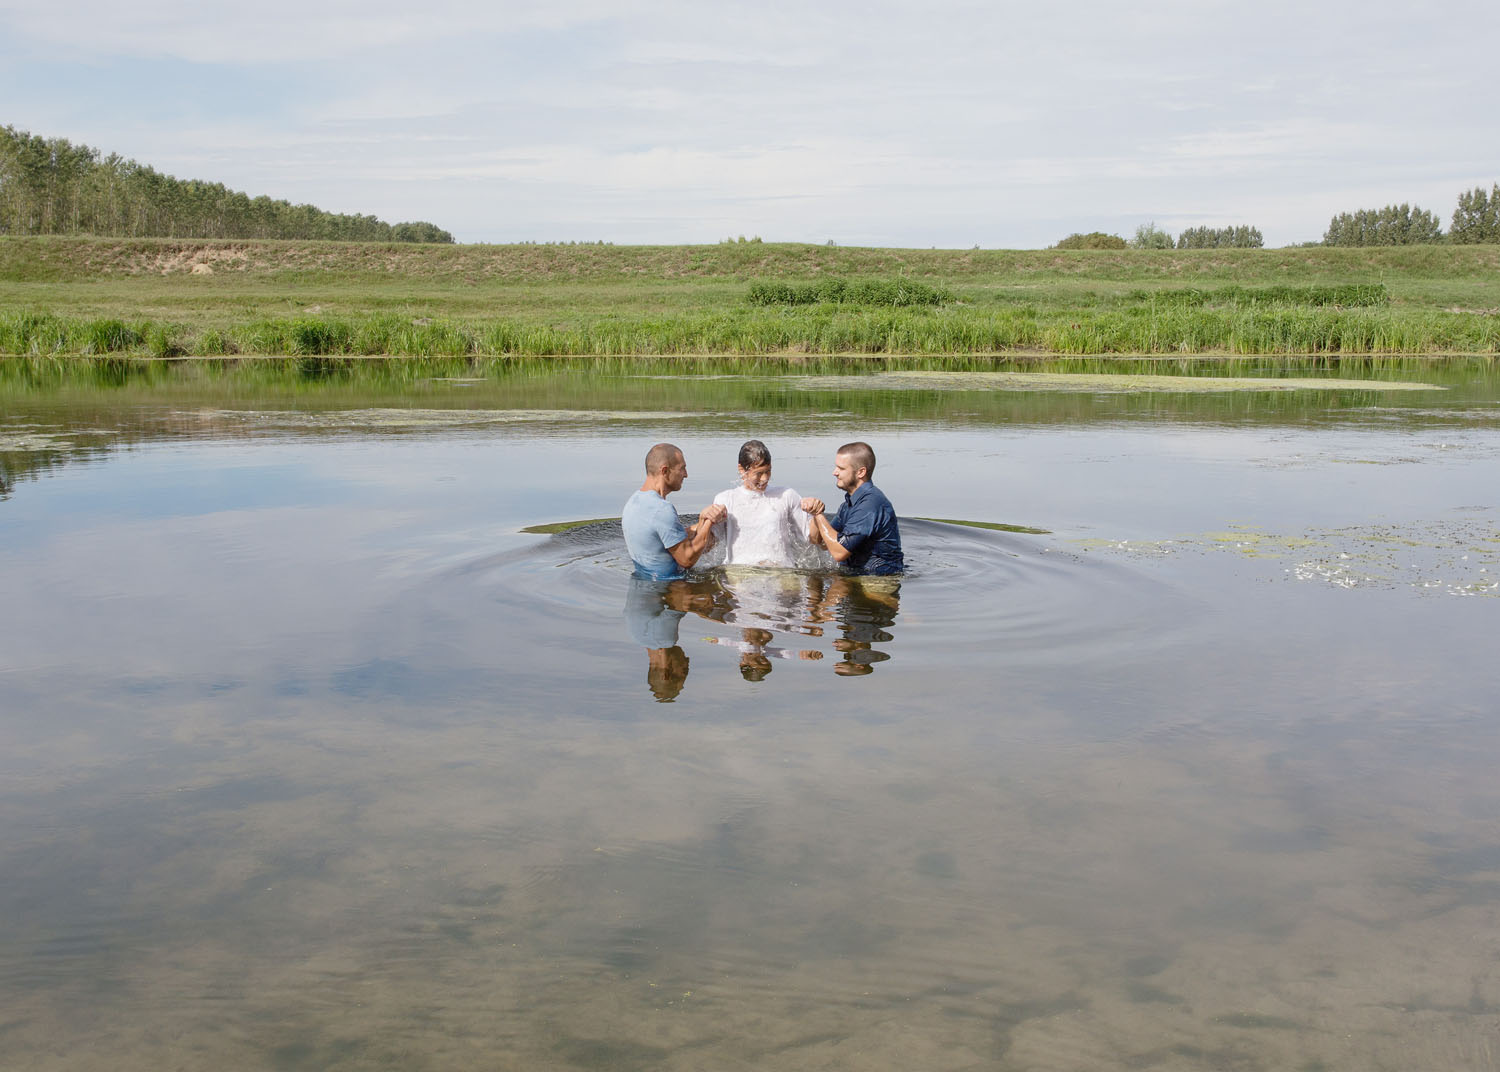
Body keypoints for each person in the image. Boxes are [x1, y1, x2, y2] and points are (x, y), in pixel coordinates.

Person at [622, 443, 726, 580]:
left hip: (644, 581)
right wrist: (710, 521)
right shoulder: (662, 509)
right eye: (682, 468)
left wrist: (702, 519)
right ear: (665, 471)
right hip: (667, 589)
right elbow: (686, 559)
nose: (686, 475)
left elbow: (670, 538)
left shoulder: (634, 502)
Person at [711, 439, 821, 568]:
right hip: (740, 572)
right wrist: (704, 521)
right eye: (758, 473)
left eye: (768, 471)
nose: (765, 478)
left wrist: (816, 513)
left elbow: (812, 538)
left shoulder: (787, 495)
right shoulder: (726, 499)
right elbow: (709, 544)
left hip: (782, 571)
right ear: (741, 469)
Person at [805, 441, 904, 575]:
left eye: (841, 468)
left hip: (879, 580)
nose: (835, 472)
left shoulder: (870, 504)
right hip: (856, 574)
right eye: (836, 467)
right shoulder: (849, 504)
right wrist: (814, 512)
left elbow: (839, 552)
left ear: (861, 472)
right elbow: (820, 542)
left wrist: (819, 515)